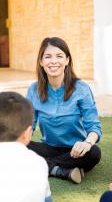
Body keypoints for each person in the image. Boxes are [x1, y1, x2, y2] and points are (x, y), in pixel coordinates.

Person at [26, 37, 102, 184]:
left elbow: (94, 128)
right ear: (41, 62)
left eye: (59, 56)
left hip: (75, 150)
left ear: (67, 60)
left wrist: (86, 143)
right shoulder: (33, 90)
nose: (53, 61)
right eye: (48, 56)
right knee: (20, 146)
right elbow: (27, 127)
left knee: (94, 153)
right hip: (49, 147)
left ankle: (43, 166)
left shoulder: (81, 88)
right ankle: (61, 170)